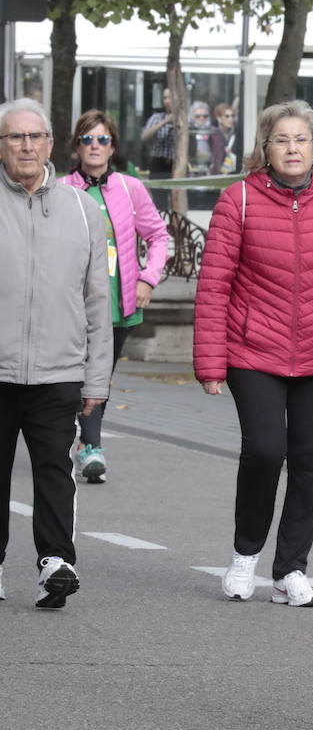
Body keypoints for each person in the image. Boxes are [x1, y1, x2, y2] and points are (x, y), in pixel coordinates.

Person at [194, 99, 313, 608]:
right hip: (253, 350)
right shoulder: (239, 201)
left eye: (301, 139)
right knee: (267, 450)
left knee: (311, 459)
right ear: (265, 149)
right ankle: (245, 554)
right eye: (281, 140)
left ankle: (291, 568)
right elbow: (214, 285)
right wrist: (210, 361)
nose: (292, 148)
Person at [0, 98, 111, 608]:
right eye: (14, 137)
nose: (25, 145)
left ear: (49, 143)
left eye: (34, 136)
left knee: (53, 470)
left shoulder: (84, 211)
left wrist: (97, 379)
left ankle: (56, 563)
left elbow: (96, 300)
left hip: (59, 369)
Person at [61, 110, 170, 484]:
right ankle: (90, 446)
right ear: (77, 146)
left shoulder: (129, 188)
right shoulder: (62, 189)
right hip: (72, 304)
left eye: (102, 139)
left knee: (100, 375)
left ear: (113, 147)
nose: (95, 146)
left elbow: (158, 237)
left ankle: (85, 442)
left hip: (119, 302)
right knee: (80, 373)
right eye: (88, 139)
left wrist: (148, 279)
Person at [140, 89, 176, 177]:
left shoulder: (185, 120)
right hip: (158, 163)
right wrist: (164, 122)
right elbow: (144, 136)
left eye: (170, 98)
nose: (167, 101)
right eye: (165, 98)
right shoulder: (157, 117)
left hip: (176, 163)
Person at [209, 102, 239, 175]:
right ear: (219, 119)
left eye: (232, 116)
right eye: (227, 116)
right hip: (216, 175)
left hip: (232, 173)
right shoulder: (213, 135)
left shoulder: (235, 135)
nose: (231, 119)